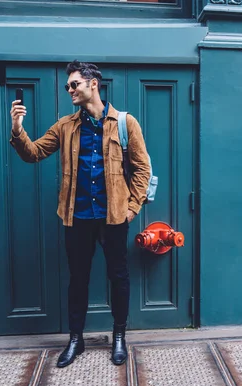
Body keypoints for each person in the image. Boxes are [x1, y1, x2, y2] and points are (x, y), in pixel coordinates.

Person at [9, 61, 151, 368]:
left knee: (118, 276)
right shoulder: (65, 126)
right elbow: (33, 153)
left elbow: (142, 169)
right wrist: (18, 129)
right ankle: (76, 339)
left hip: (113, 216)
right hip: (77, 217)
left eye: (75, 84)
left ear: (93, 84)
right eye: (68, 86)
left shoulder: (125, 123)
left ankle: (119, 336)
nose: (70, 90)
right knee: (78, 279)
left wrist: (131, 208)